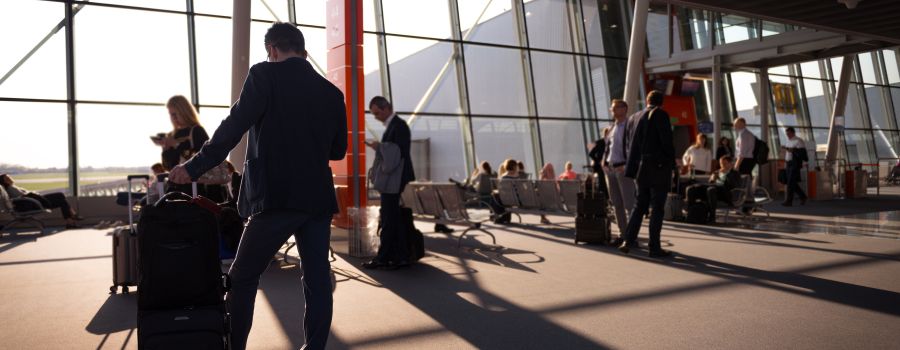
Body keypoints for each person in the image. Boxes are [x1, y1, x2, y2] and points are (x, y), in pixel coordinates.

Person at [168, 23, 347, 350]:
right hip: (318, 198)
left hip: (276, 197)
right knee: (318, 282)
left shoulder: (265, 75)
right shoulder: (332, 93)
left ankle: (234, 347)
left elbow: (232, 128)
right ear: (304, 53)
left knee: (243, 277)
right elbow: (337, 151)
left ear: (273, 51)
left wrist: (193, 167)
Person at [616, 91, 675, 258]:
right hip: (657, 168)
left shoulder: (633, 117)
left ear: (647, 101)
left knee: (639, 205)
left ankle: (627, 240)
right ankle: (654, 247)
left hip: (639, 169)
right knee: (657, 207)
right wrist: (672, 163)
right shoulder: (660, 114)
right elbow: (666, 141)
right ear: (661, 103)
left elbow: (627, 144)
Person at [363, 96, 417, 269]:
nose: (376, 117)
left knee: (388, 217)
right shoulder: (397, 126)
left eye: (378, 113)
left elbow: (395, 155)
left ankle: (384, 257)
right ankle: (399, 256)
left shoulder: (398, 126)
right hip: (397, 178)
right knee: (393, 218)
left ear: (387, 108)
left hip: (395, 179)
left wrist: (379, 147)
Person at [154, 95, 227, 202]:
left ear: (184, 111)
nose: (173, 118)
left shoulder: (196, 131)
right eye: (170, 115)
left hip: (199, 188)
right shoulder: (172, 135)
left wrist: (176, 145)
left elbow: (204, 157)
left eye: (175, 114)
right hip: (179, 188)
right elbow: (169, 167)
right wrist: (165, 148)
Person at [602, 99, 636, 240]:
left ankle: (632, 235)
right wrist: (604, 163)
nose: (612, 110)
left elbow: (634, 148)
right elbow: (608, 148)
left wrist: (627, 165)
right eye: (612, 108)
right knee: (617, 204)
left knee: (629, 204)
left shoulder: (630, 126)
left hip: (623, 168)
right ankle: (624, 234)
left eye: (615, 108)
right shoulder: (611, 128)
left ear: (624, 109)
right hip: (611, 169)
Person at [0, 174, 83, 229]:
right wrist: (33, 194)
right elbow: (21, 197)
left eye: (8, 177)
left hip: (35, 201)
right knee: (60, 196)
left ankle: (70, 222)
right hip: (34, 203)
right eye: (7, 178)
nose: (9, 178)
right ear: (4, 182)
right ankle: (72, 217)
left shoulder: (11, 187)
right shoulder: (10, 189)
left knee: (62, 200)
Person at [685, 156, 742, 222]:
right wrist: (712, 179)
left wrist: (727, 174)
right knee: (691, 188)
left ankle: (712, 216)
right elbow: (711, 183)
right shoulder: (717, 172)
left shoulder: (735, 173)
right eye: (721, 163)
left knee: (711, 189)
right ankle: (691, 213)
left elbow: (735, 185)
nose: (722, 165)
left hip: (725, 193)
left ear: (730, 164)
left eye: (725, 163)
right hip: (713, 191)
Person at [781, 127, 808, 206]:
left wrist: (792, 150)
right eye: (787, 134)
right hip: (788, 163)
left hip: (795, 164)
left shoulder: (799, 141)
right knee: (792, 182)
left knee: (790, 182)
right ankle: (803, 196)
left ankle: (789, 201)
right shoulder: (788, 141)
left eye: (789, 133)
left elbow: (802, 153)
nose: (788, 135)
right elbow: (788, 152)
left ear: (793, 133)